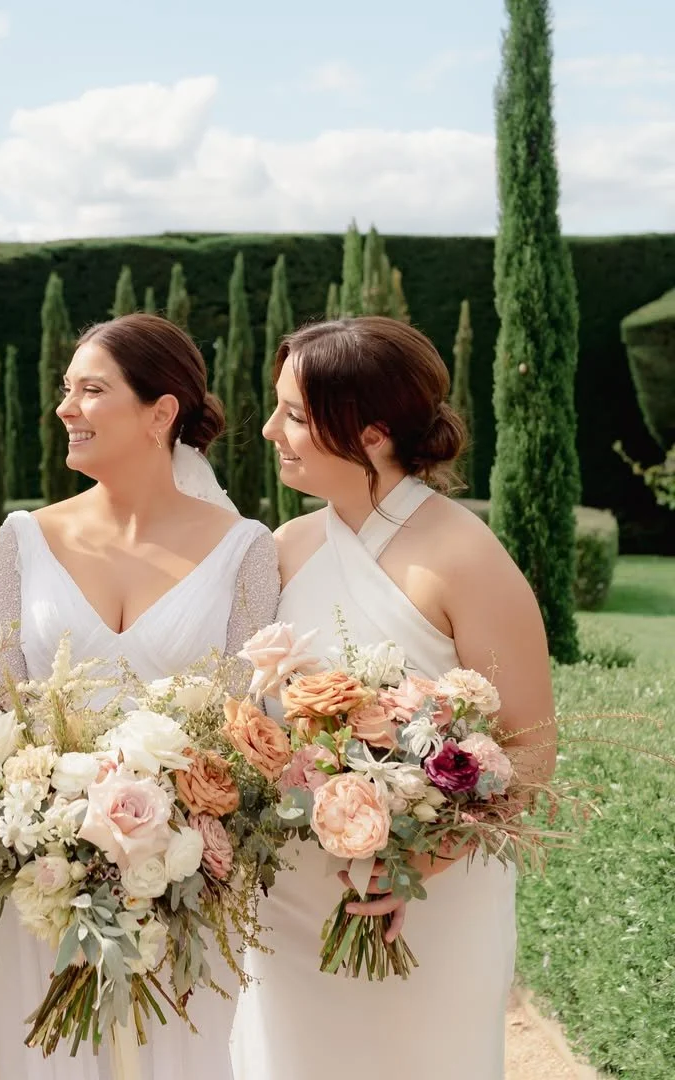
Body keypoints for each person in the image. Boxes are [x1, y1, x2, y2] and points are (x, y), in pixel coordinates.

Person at [231, 316, 557, 1080]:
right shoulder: (285, 548)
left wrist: (419, 859)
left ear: (372, 432)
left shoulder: (466, 558)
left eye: (296, 416)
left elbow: (531, 747)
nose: (270, 428)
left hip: (434, 903)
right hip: (294, 897)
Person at [0, 313, 280, 1079]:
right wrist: (51, 833)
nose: (64, 409)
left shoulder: (248, 550)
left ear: (161, 412)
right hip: (43, 876)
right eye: (65, 390)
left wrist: (171, 841)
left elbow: (244, 725)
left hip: (186, 880)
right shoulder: (21, 540)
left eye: (90, 390)